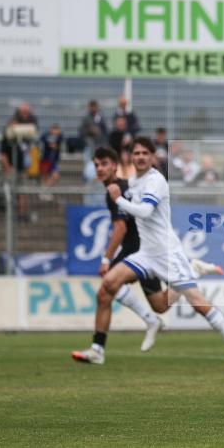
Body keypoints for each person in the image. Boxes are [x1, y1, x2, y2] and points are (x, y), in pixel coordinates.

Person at [80, 137, 224, 370]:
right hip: (145, 254)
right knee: (109, 283)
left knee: (198, 304)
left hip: (167, 253)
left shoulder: (155, 180)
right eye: (136, 153)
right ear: (131, 157)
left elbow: (145, 211)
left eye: (144, 153)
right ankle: (149, 321)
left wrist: (118, 199)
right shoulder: (134, 181)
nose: (140, 157)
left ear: (152, 157)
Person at [71, 146, 167, 363]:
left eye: (104, 164)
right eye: (96, 165)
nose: (99, 168)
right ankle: (150, 318)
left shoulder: (115, 190)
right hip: (144, 248)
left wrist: (106, 259)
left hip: (138, 250)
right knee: (160, 304)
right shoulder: (122, 187)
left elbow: (120, 228)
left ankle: (100, 348)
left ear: (114, 166)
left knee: (106, 289)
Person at [79, 99, 108, 181]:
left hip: (100, 145)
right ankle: (88, 180)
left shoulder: (102, 118)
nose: (93, 108)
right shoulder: (86, 118)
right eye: (91, 107)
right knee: (89, 164)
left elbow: (106, 131)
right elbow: (81, 132)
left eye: (95, 106)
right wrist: (90, 130)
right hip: (90, 145)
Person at [39, 123, 63, 193]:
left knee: (56, 177)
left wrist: (53, 142)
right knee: (45, 178)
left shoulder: (59, 137)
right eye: (54, 130)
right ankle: (45, 193)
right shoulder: (46, 136)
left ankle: (45, 190)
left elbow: (58, 140)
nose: (55, 132)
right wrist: (50, 141)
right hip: (45, 160)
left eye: (57, 130)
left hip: (53, 162)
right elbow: (44, 139)